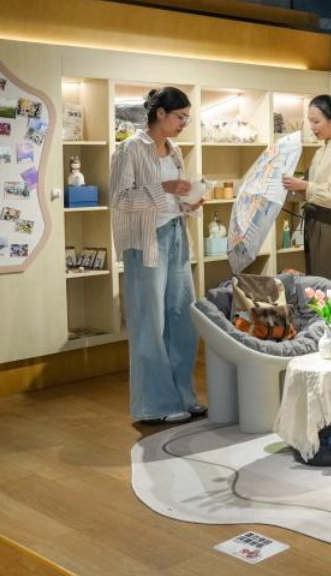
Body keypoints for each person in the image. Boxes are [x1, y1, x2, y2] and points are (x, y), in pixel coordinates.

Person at [110, 87, 205, 424]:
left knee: (182, 318)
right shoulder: (129, 150)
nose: (184, 123)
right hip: (145, 242)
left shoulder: (174, 150)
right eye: (180, 117)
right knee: (149, 323)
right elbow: (121, 200)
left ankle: (183, 395)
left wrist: (190, 202)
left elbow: (173, 199)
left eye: (187, 118)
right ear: (160, 114)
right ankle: (155, 404)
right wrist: (162, 189)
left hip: (176, 234)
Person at [281, 94, 331, 349]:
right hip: (317, 225)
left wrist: (305, 185)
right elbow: (312, 188)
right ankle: (329, 352)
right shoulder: (323, 149)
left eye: (316, 121)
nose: (312, 127)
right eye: (310, 122)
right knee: (321, 297)